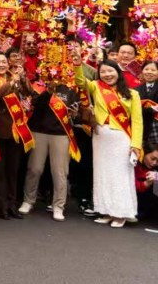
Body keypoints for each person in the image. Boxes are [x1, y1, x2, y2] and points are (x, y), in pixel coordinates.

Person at [74, 54, 143, 228]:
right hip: (100, 137)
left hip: (121, 139)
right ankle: (105, 210)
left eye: (110, 71)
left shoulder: (132, 94)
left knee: (120, 176)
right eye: (103, 71)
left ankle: (121, 213)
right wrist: (77, 64)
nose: (107, 74)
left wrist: (136, 145)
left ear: (118, 72)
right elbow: (81, 82)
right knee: (102, 174)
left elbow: (137, 121)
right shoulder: (96, 87)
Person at [0, 51, 32, 220]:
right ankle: (1, 206)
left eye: (4, 61)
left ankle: (12, 205)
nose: (1, 64)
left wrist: (22, 78)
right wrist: (13, 82)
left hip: (16, 130)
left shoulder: (14, 76)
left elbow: (28, 91)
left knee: (13, 170)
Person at [20, 83, 80, 222]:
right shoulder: (38, 86)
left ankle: (58, 205)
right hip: (39, 131)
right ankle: (28, 201)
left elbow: (77, 114)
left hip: (61, 134)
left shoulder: (71, 89)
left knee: (60, 171)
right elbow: (35, 105)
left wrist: (75, 115)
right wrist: (48, 91)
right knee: (34, 168)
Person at [135, 61, 158, 148]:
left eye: (153, 70)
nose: (149, 72)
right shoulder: (136, 90)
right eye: (146, 69)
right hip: (144, 129)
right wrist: (152, 109)